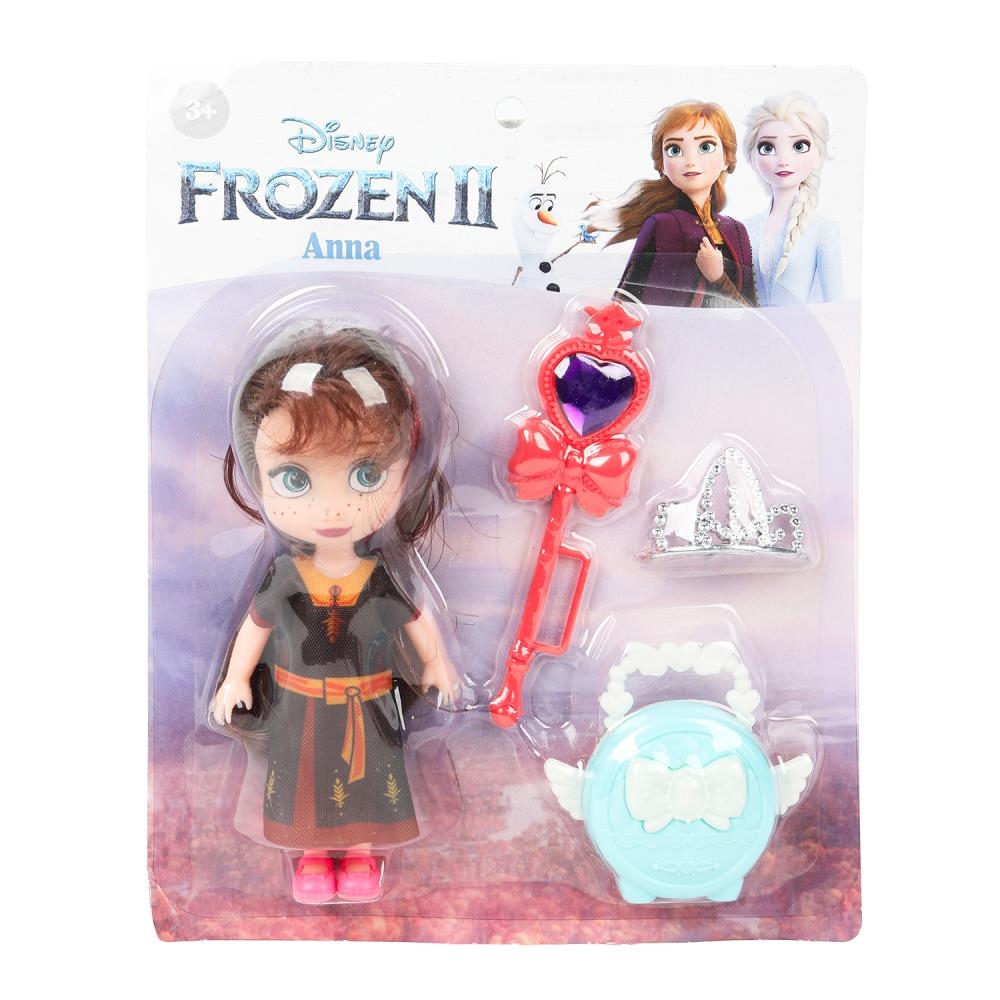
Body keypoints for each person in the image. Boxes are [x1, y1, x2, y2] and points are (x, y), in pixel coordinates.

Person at [211, 325, 460, 904]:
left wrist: (438, 665)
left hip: (366, 705)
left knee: (367, 783)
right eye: (295, 479)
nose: (332, 507)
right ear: (256, 475)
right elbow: (256, 625)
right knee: (306, 781)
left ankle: (363, 855)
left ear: (405, 470)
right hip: (300, 707)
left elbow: (414, 619)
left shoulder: (378, 576)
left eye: (365, 475)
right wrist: (236, 678)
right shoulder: (286, 576)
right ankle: (313, 856)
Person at [585, 100, 756, 307]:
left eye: (705, 147)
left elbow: (752, 312)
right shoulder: (663, 225)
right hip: (669, 327)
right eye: (674, 150)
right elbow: (628, 297)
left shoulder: (736, 230)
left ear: (727, 158)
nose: (690, 160)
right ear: (662, 165)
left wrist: (718, 279)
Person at [742, 92, 843, 305]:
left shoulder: (823, 231)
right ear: (752, 157)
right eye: (768, 148)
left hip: (802, 327)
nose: (783, 160)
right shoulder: (745, 228)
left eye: (799, 146)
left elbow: (835, 306)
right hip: (750, 327)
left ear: (818, 155)